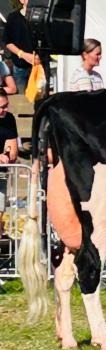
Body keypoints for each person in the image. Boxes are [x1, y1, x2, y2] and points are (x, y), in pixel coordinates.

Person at [4, 0, 38, 93]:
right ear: (22, 0)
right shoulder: (13, 18)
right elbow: (8, 42)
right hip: (20, 67)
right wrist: (23, 54)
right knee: (21, 101)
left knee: (39, 100)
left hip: (38, 66)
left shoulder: (41, 18)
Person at [0, 89, 18, 236]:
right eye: (0, 107)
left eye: (6, 105)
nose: (4, 110)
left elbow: (12, 151)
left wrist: (5, 154)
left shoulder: (9, 119)